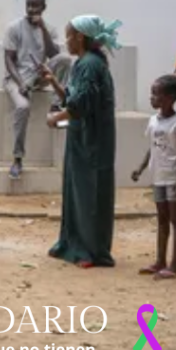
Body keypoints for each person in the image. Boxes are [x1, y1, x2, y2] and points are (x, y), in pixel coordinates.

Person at [42, 15, 120, 268]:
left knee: (89, 193)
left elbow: (81, 105)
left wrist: (56, 117)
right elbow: (73, 98)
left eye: (69, 36)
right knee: (76, 190)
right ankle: (72, 243)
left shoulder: (90, 65)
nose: (66, 42)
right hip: (82, 138)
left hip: (92, 141)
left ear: (80, 37)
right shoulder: (84, 64)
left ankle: (89, 249)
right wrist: (54, 82)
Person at [3, 0, 73, 180]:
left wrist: (42, 28)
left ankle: (56, 105)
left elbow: (53, 54)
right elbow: (8, 60)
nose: (31, 9)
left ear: (43, 7)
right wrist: (20, 83)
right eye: (28, 5)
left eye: (35, 5)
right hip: (17, 79)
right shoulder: (14, 27)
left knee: (65, 59)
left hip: (39, 76)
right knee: (23, 107)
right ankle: (17, 158)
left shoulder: (48, 29)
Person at [131, 75, 176, 279]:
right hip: (158, 176)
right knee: (162, 220)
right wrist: (140, 168)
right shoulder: (153, 120)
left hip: (173, 177)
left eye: (156, 93)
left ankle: (175, 265)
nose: (152, 97)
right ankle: (160, 261)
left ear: (171, 97)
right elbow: (152, 148)